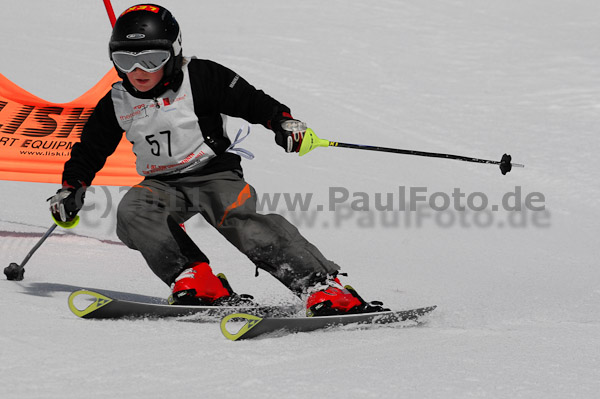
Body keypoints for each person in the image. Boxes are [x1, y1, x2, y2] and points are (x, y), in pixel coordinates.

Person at [49, 4, 385, 316]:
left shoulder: (201, 77)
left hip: (213, 174)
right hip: (162, 183)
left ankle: (322, 287)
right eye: (125, 60)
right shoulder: (117, 101)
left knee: (242, 220)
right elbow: (89, 149)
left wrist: (283, 122)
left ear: (173, 52)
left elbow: (252, 102)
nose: (138, 71)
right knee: (133, 212)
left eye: (151, 59)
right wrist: (72, 187)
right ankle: (196, 280)